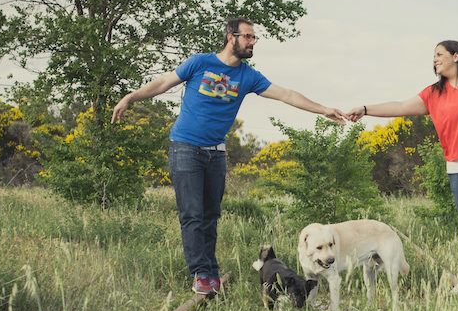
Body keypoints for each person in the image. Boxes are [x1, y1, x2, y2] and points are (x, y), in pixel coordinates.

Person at [114, 18, 345, 295]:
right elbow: (164, 82)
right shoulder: (199, 63)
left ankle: (210, 272)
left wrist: (323, 109)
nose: (252, 42)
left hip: (216, 152)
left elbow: (286, 94)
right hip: (185, 147)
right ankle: (201, 274)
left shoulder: (248, 76)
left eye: (254, 38)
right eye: (248, 37)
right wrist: (130, 97)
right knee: (192, 215)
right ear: (230, 37)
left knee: (210, 214)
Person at [345, 40, 458, 297]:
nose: (434, 59)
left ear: (456, 56)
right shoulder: (434, 93)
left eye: (439, 54)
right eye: (433, 56)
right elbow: (400, 107)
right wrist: (365, 110)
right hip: (457, 164)